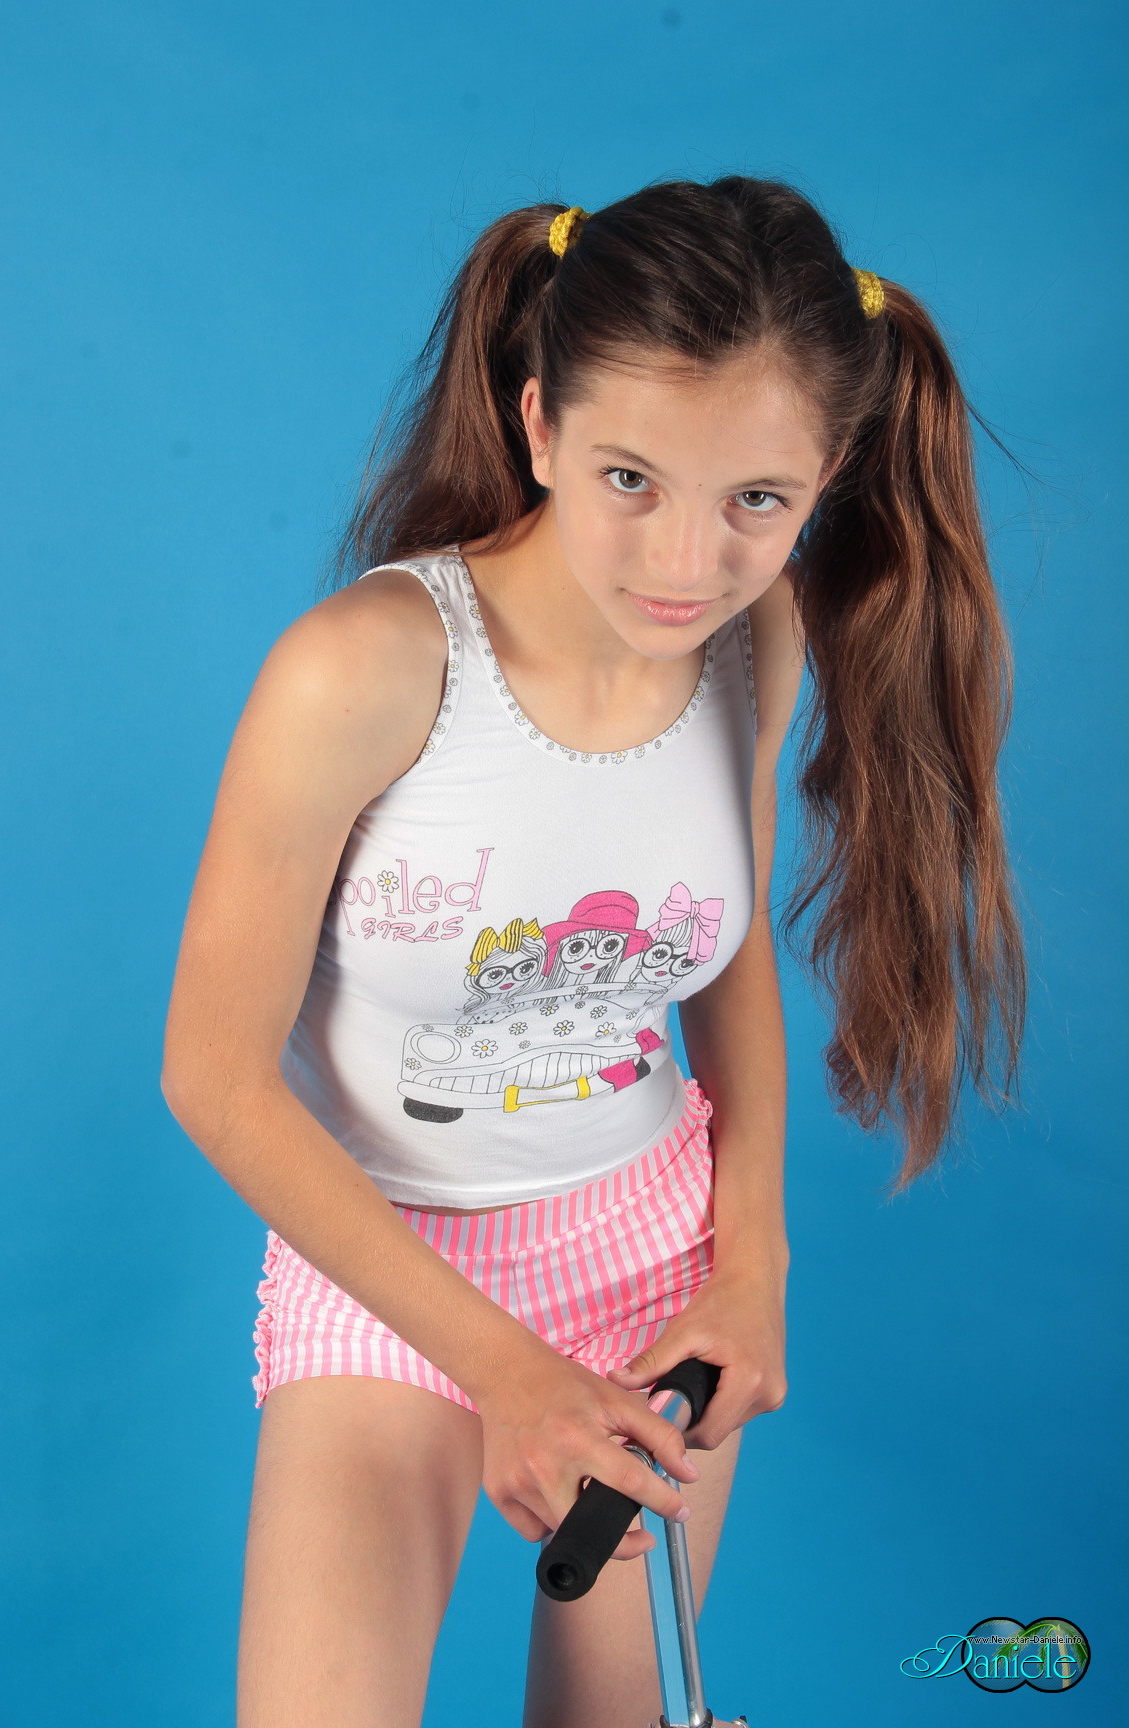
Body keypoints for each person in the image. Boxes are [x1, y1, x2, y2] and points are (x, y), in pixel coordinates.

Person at [161, 176, 1026, 1728]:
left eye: (756, 500)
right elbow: (212, 1078)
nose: (685, 560)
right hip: (392, 1266)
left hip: (652, 1258)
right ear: (542, 425)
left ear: (827, 475)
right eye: (632, 477)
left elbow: (729, 955)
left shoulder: (758, 640)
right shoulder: (363, 671)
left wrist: (751, 1266)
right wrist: (506, 1371)